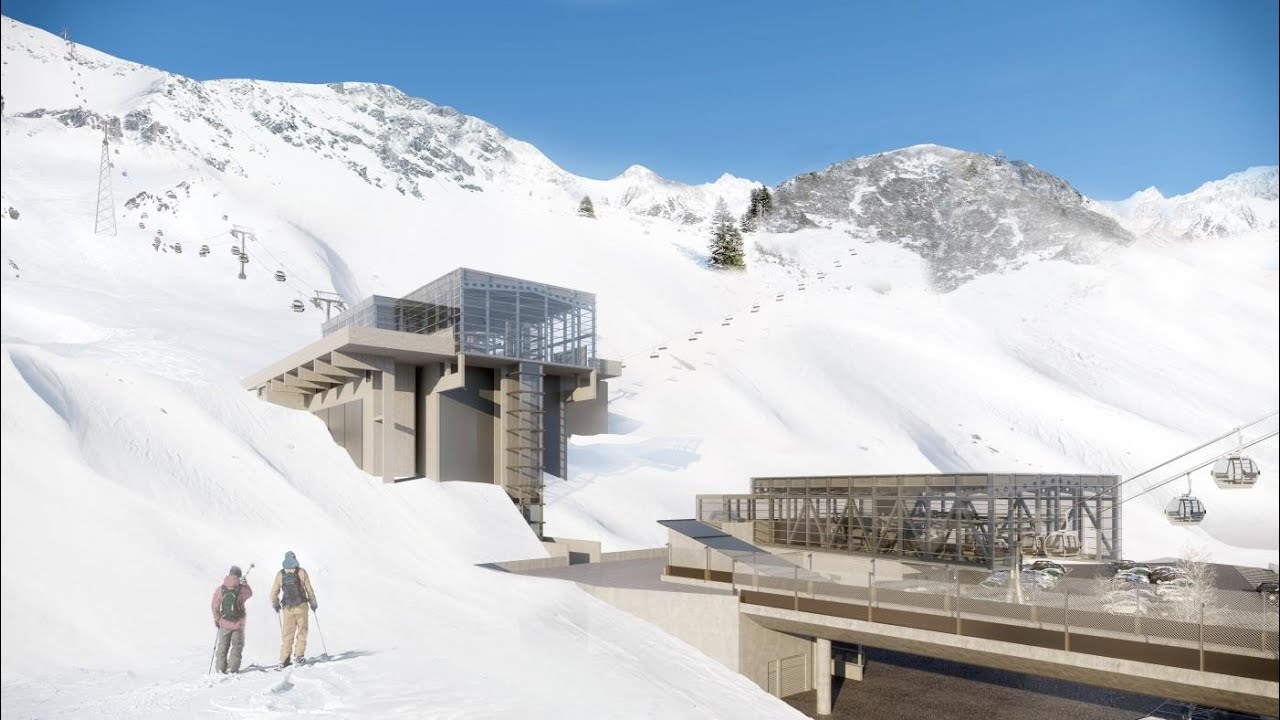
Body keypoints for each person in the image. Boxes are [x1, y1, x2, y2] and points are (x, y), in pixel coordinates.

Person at [270, 551, 317, 667]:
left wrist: (275, 603)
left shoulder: (280, 574)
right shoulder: (301, 572)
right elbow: (309, 589)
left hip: (288, 609)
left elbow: (273, 593)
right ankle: (299, 656)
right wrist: (313, 602)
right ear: (295, 559)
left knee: (287, 634)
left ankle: (284, 659)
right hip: (301, 607)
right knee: (302, 632)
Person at [211, 565, 253, 674]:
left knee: (222, 646)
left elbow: (215, 606)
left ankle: (220, 668)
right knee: (236, 646)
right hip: (238, 624)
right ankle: (232, 669)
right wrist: (245, 584)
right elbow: (250, 594)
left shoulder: (221, 589)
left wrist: (217, 620)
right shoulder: (242, 589)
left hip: (224, 623)